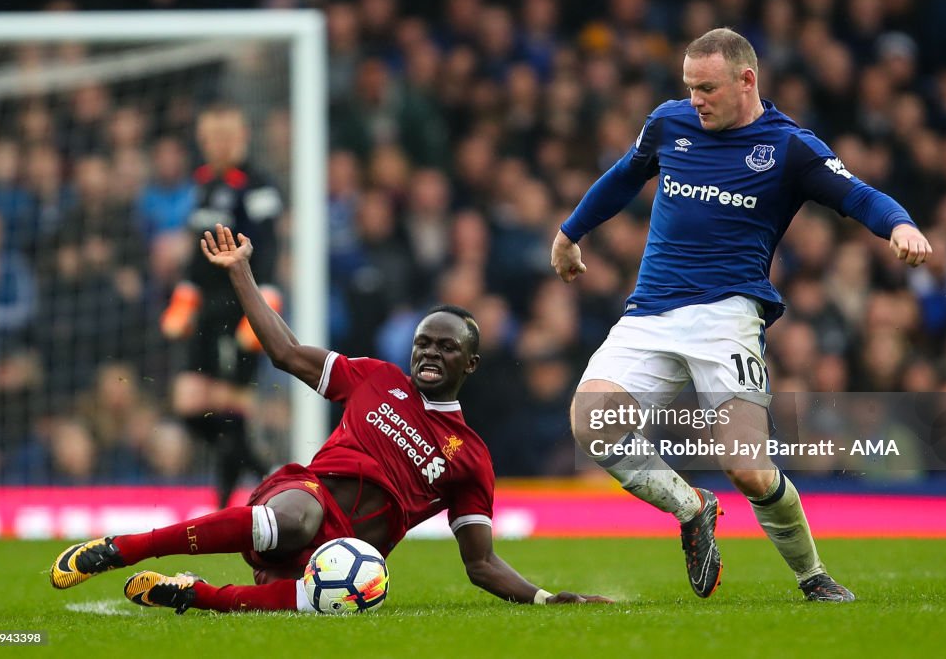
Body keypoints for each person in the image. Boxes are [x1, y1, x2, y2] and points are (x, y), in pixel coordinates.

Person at [551, 28, 932, 603]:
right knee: (590, 422)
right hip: (650, 311)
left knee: (747, 469)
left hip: (727, 316)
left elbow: (859, 195)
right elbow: (625, 176)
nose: (695, 99)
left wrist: (899, 224)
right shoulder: (669, 123)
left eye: (707, 88)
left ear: (746, 80)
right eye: (689, 87)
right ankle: (692, 508)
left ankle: (813, 575)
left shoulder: (789, 148)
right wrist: (570, 233)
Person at [49, 224, 611, 613]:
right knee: (293, 518)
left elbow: (482, 564)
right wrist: (241, 272)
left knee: (339, 597)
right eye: (423, 344)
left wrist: (546, 598)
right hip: (302, 495)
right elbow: (287, 353)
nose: (430, 355)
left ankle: (194, 595)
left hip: (342, 556)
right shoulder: (375, 377)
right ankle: (125, 547)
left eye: (445, 348)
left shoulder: (470, 458)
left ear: (471, 362)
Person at [159, 104, 277, 508]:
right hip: (205, 307)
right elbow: (196, 250)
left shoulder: (258, 187)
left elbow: (269, 249)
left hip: (239, 306)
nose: (216, 145)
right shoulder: (204, 182)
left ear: (242, 136)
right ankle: (267, 474)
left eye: (225, 136)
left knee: (230, 403)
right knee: (192, 403)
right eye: (210, 137)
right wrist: (185, 294)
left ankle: (225, 503)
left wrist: (264, 302)